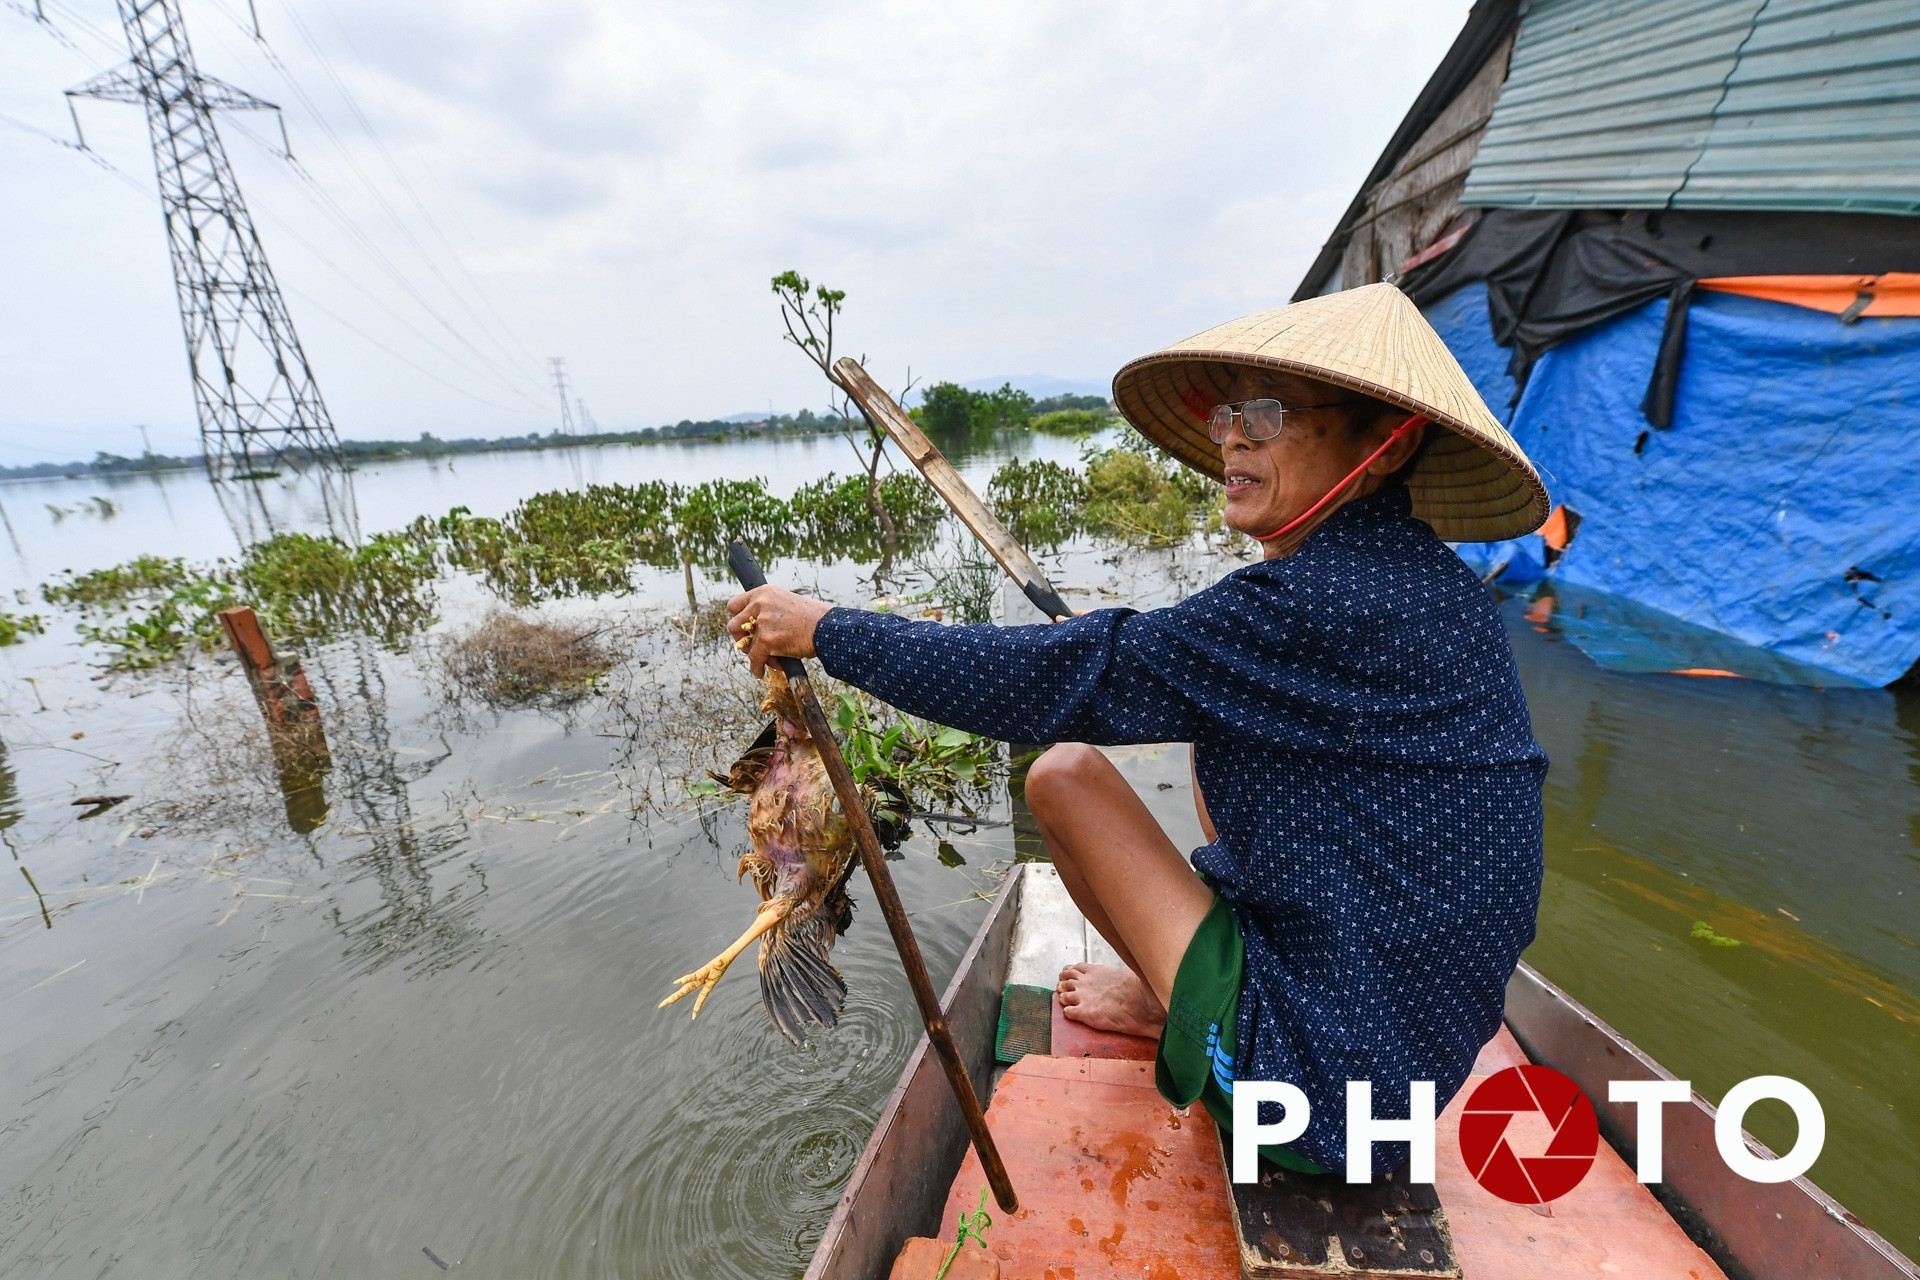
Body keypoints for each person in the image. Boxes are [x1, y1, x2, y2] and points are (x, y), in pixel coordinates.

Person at [727, 283, 1551, 1174]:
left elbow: (1062, 680)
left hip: (1329, 1096)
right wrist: (1109, 659)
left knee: (1061, 776)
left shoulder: (1324, 601)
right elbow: (1139, 663)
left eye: (1269, 414)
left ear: (1385, 446)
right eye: (1231, 411)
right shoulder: (1410, 582)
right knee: (1142, 747)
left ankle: (1213, 1033)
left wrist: (825, 628)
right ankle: (1176, 1001)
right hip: (1390, 1039)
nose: (1231, 435)